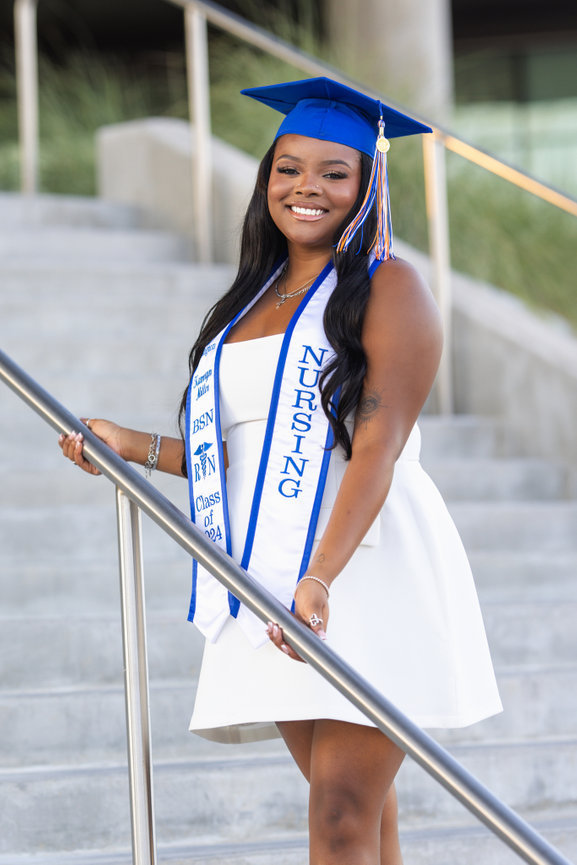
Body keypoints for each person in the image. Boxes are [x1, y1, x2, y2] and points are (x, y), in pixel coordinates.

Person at [59, 77, 502, 865]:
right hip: (265, 570)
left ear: (368, 187)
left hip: (362, 566)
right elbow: (238, 461)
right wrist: (132, 444)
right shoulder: (247, 302)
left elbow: (377, 446)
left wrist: (321, 577)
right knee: (359, 815)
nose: (307, 188)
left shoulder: (388, 289)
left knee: (339, 813)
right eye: (288, 168)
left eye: (335, 173)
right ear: (266, 179)